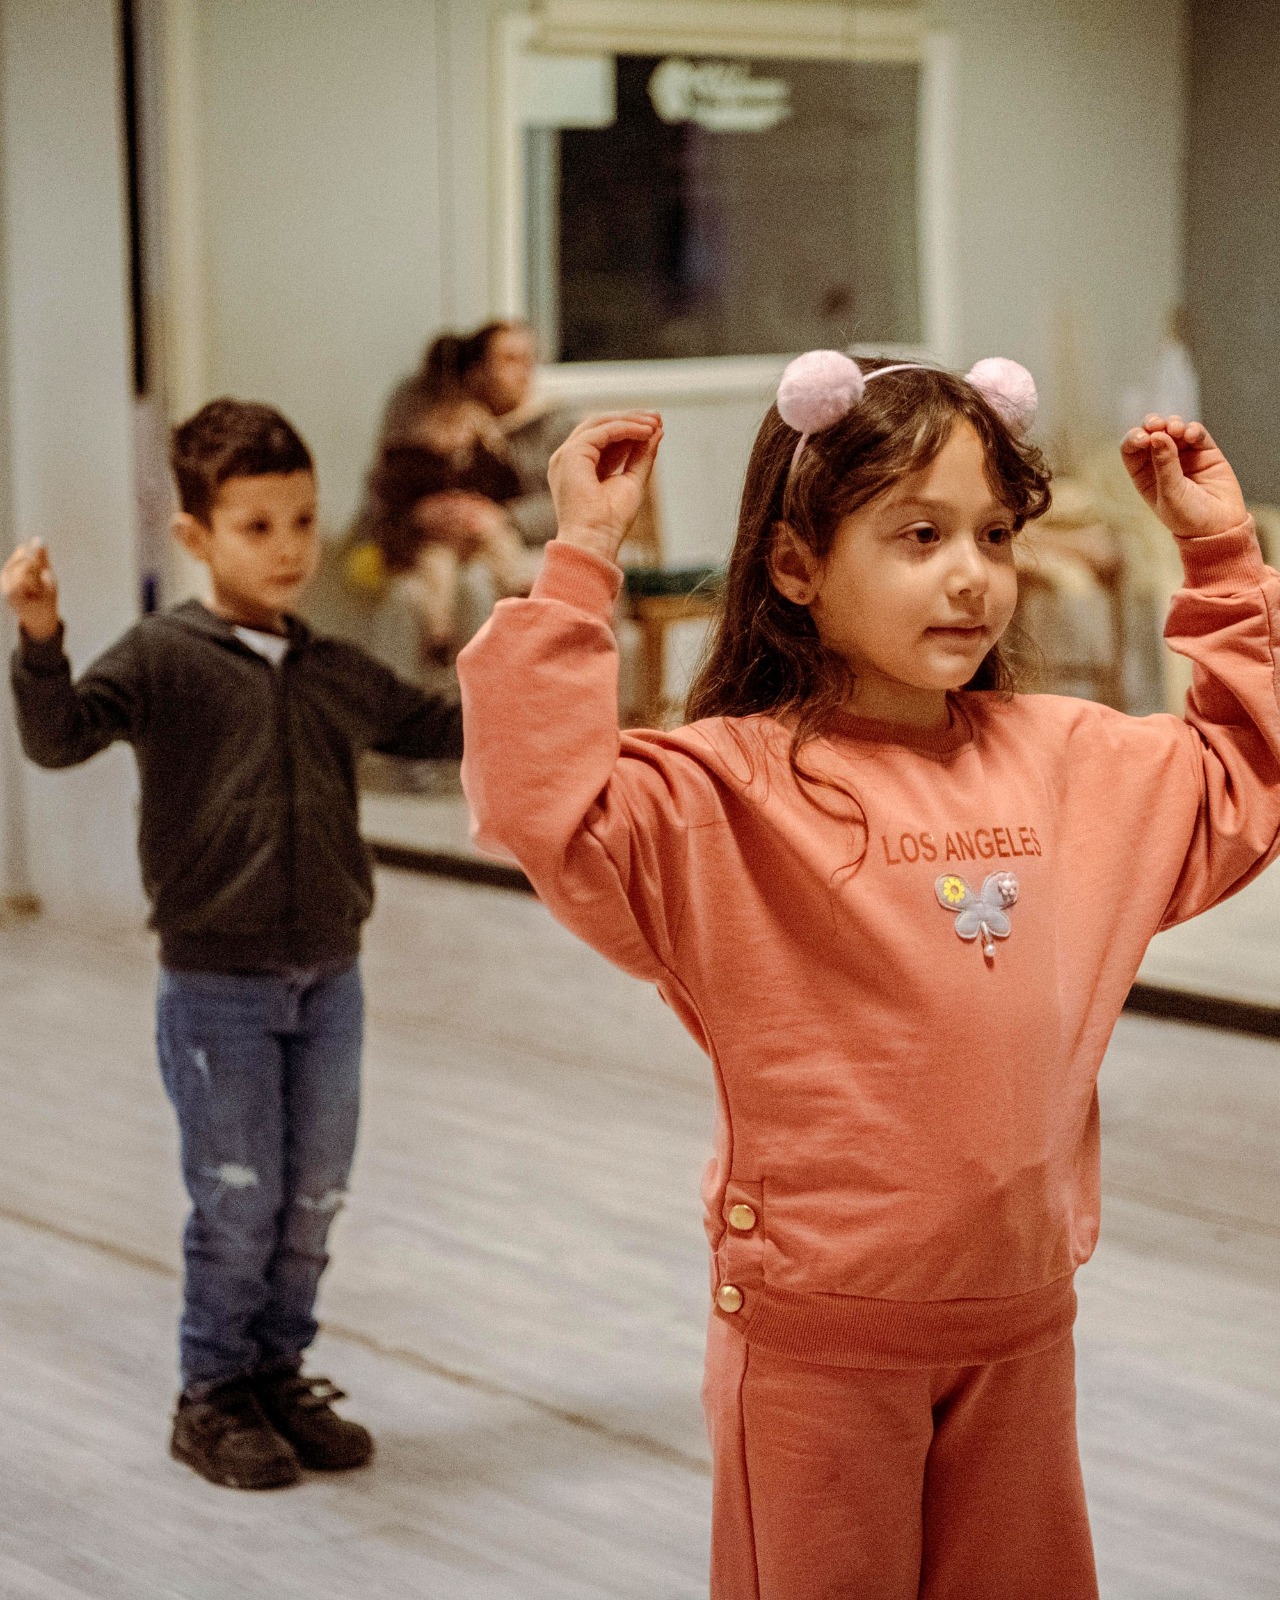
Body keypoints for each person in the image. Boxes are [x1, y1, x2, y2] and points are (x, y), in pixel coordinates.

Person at [455, 350, 1280, 1598]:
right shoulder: (724, 790)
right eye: (916, 534)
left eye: (993, 535)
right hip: (817, 1345)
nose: (970, 575)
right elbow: (541, 803)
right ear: (795, 566)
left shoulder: (1068, 761)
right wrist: (579, 563)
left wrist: (1219, 561)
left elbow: (1240, 771)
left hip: (1018, 1326)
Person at [4, 398, 464, 1492]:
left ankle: (275, 1373)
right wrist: (38, 641)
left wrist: (539, 658)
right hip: (215, 986)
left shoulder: (334, 668)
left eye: (301, 520)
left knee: (312, 1198)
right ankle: (210, 1394)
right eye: (257, 526)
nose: (291, 547)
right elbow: (60, 738)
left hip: (329, 977)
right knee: (238, 1195)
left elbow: (441, 725)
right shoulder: (165, 658)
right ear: (197, 537)